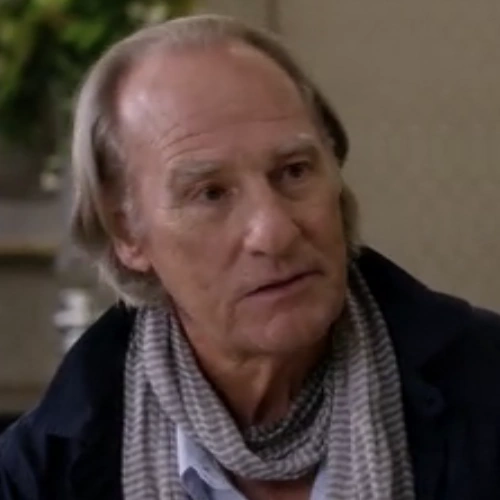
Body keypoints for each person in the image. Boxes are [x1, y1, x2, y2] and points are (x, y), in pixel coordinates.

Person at [1, 14, 500, 500]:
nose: (275, 232)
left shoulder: (486, 388)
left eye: (295, 171)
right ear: (126, 233)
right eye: (211, 193)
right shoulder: (41, 472)